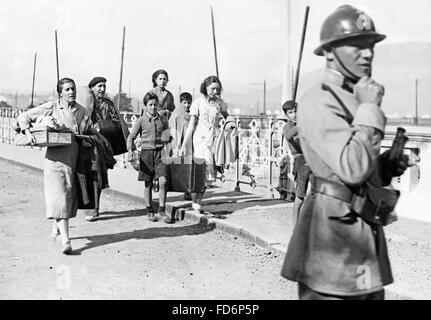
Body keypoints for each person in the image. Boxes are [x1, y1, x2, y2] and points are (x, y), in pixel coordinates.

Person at [281, 5, 409, 300]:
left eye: (371, 47)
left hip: (362, 232)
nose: (368, 55)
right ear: (330, 52)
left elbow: (358, 162)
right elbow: (351, 168)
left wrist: (386, 166)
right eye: (358, 46)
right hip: (332, 236)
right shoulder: (318, 100)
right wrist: (369, 108)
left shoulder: (354, 96)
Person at [17, 78, 91, 254]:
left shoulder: (82, 111)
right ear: (60, 93)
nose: (71, 92)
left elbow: (85, 131)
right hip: (54, 161)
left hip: (72, 160)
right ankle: (66, 240)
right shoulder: (52, 106)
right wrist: (28, 132)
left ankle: (56, 227)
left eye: (73, 88)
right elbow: (24, 116)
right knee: (59, 197)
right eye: (67, 89)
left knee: (66, 196)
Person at [180, 75, 229, 214]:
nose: (215, 91)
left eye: (217, 89)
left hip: (214, 140)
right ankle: (196, 203)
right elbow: (191, 125)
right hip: (200, 140)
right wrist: (184, 145)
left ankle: (197, 202)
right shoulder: (198, 103)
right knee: (201, 172)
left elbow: (228, 117)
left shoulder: (220, 103)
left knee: (209, 174)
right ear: (205, 88)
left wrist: (230, 128)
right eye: (213, 88)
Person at [84, 76, 129, 221]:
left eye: (104, 86)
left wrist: (103, 125)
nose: (102, 89)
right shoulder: (85, 102)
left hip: (103, 144)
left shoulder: (108, 104)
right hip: (87, 143)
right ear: (92, 88)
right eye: (99, 86)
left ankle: (93, 208)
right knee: (90, 174)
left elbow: (117, 123)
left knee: (98, 175)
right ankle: (89, 208)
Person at [126, 92, 170, 222]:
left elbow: (168, 135)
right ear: (145, 106)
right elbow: (131, 137)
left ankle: (161, 211)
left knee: (163, 181)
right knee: (148, 184)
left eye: (155, 104)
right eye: (150, 104)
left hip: (160, 153)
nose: (153, 107)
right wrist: (130, 150)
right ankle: (149, 210)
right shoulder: (141, 120)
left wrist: (170, 146)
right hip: (146, 154)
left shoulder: (163, 119)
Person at [281, 100, 311, 225]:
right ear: (286, 114)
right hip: (301, 162)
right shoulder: (288, 127)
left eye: (296, 111)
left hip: (313, 160)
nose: (294, 114)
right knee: (300, 197)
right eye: (291, 112)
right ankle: (295, 228)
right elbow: (288, 136)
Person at [169, 92, 193, 200]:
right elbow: (172, 128)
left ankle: (187, 191)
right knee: (177, 167)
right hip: (178, 142)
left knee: (189, 168)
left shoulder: (192, 114)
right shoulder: (177, 113)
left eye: (189, 103)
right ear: (180, 102)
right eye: (184, 103)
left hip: (189, 143)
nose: (187, 105)